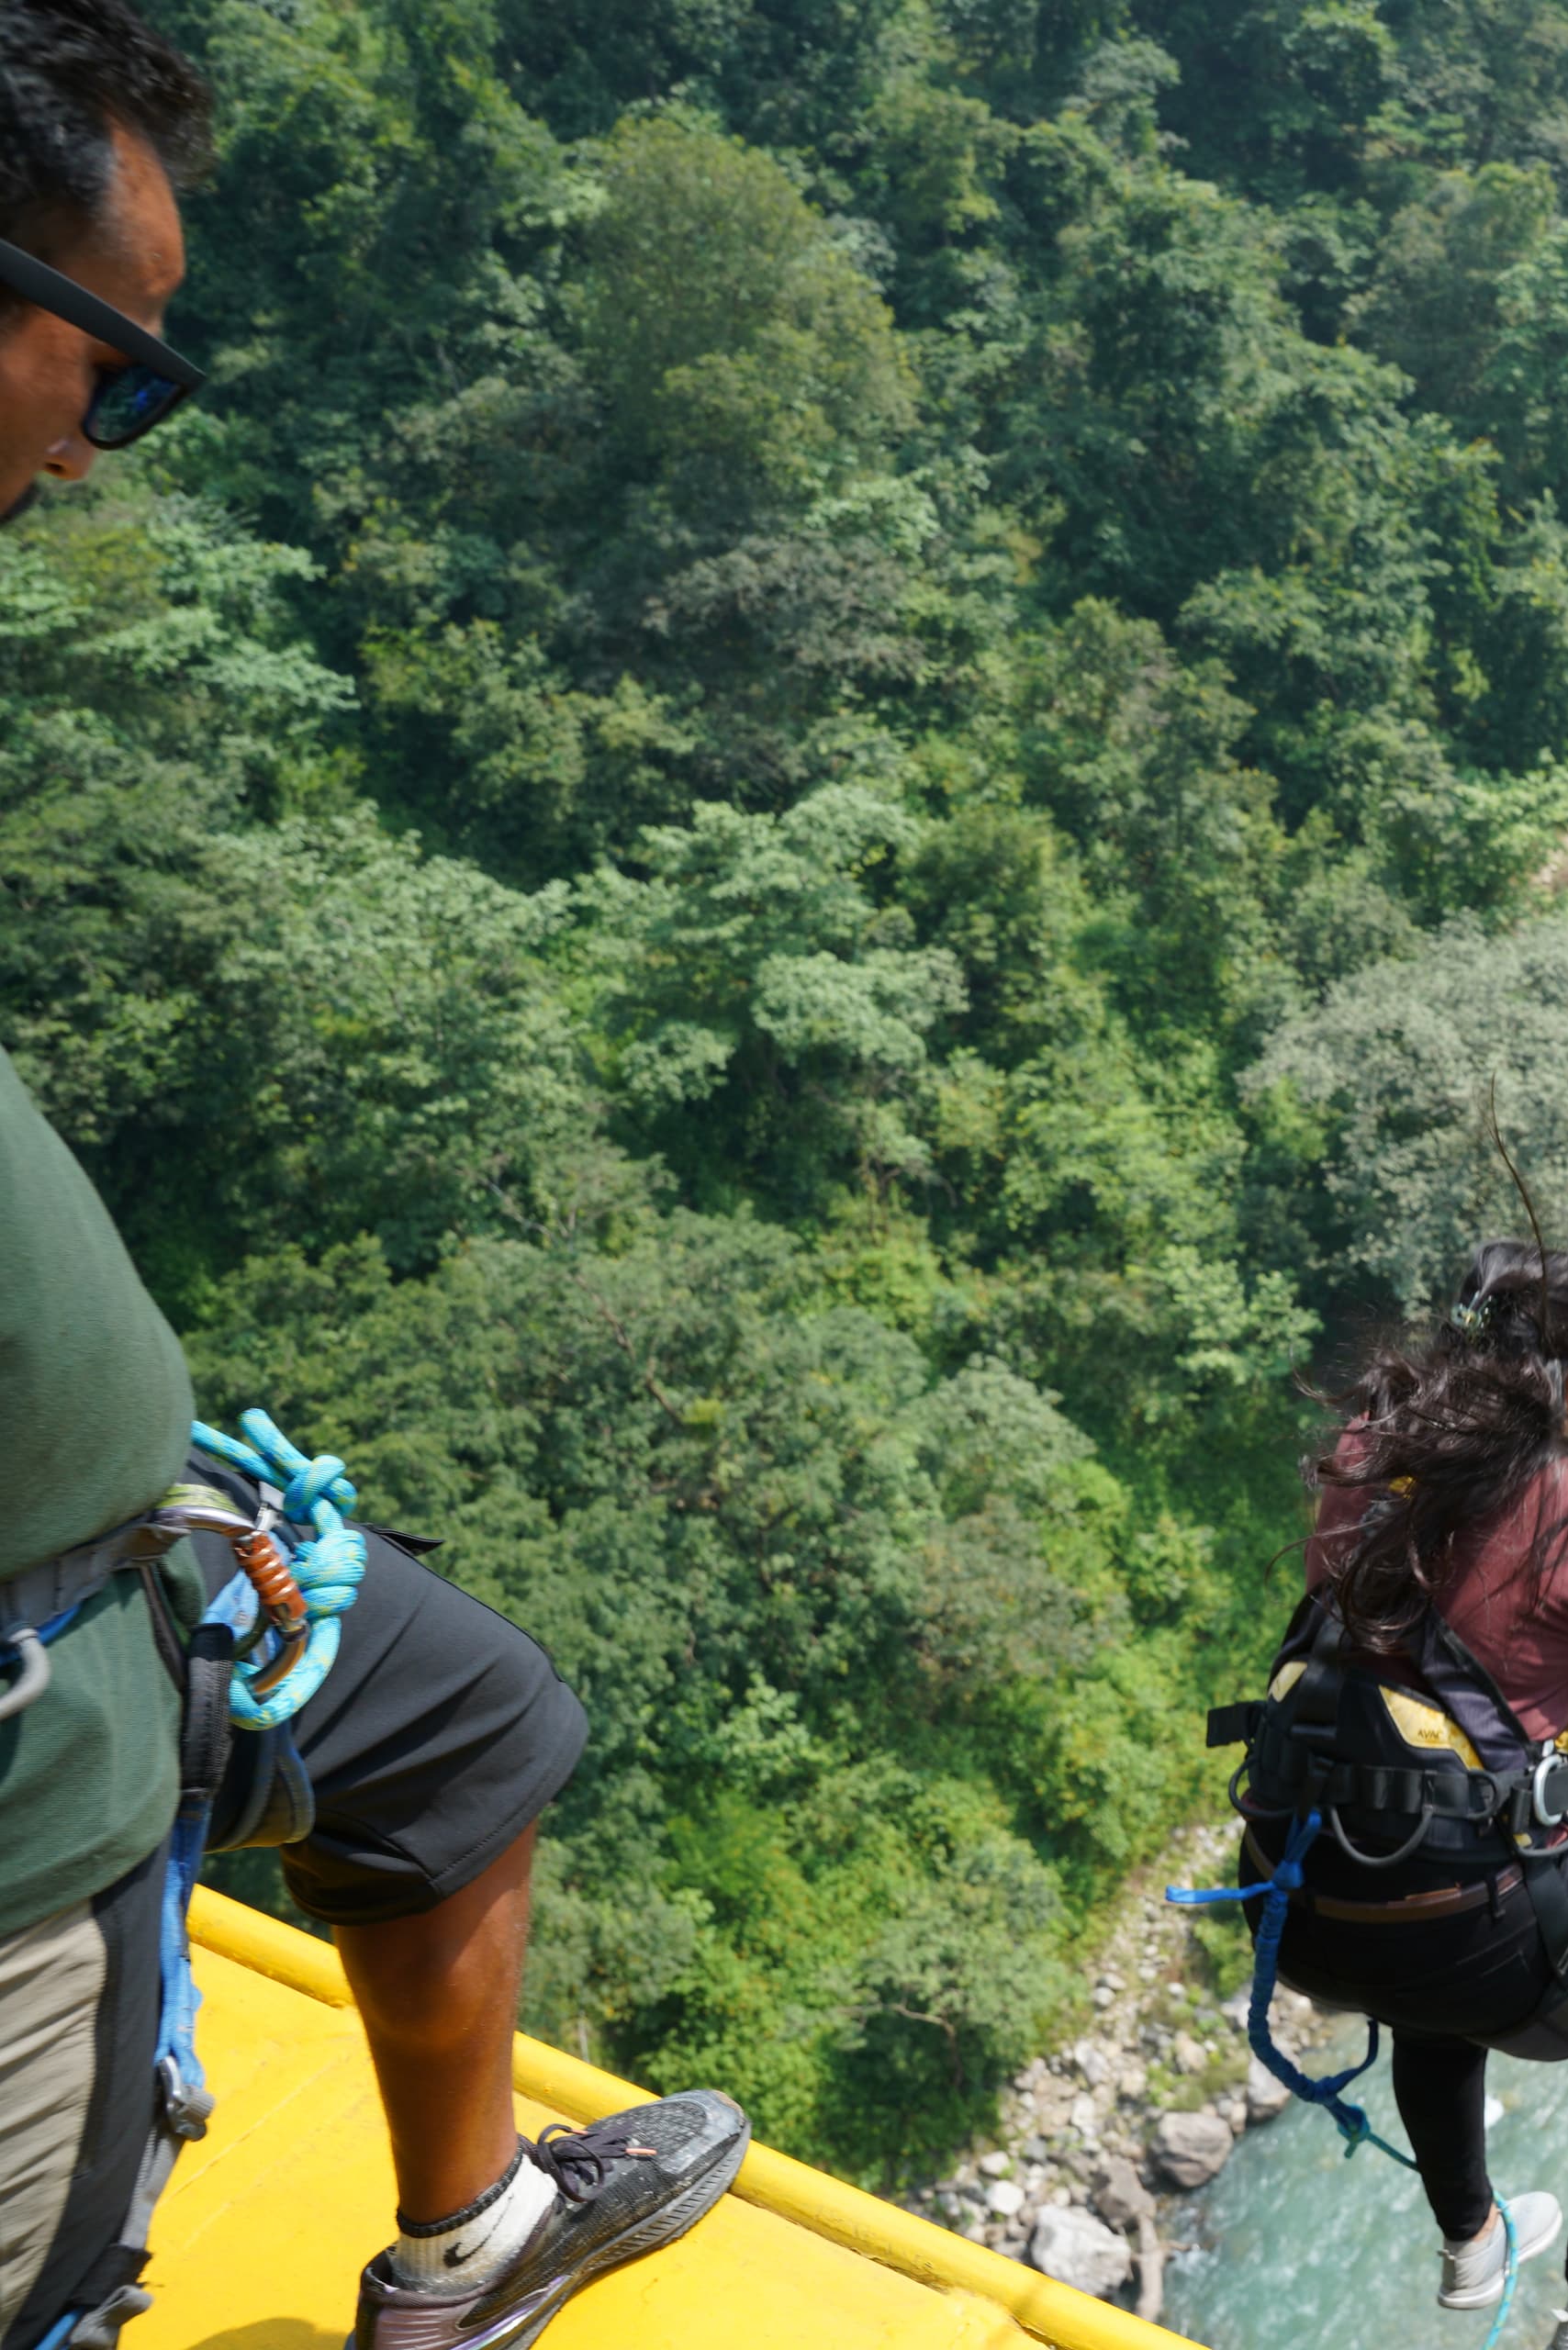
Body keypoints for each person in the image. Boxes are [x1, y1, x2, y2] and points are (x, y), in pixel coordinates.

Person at [0, 10, 745, 2344]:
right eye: (118, 376)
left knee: (465, 1719)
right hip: (37, 1747)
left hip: (120, 1584)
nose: (105, 457)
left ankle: (476, 2226)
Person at [1244, 1240, 1568, 2350]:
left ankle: (1470, 2239)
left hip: (1297, 1896)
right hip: (1468, 1921)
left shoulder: (1365, 1453)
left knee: (1430, 1958)